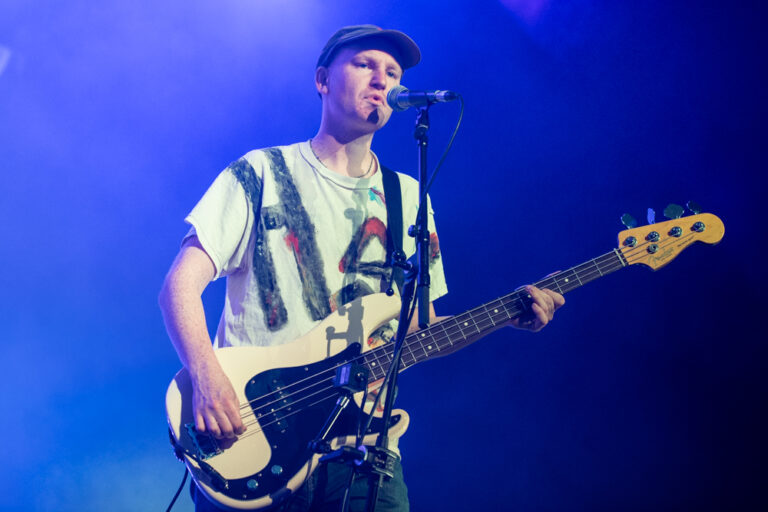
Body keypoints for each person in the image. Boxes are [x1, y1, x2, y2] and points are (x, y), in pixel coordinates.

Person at [159, 25, 565, 512]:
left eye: (392, 72)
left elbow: (418, 327)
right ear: (323, 80)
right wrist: (206, 376)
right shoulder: (260, 172)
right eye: (365, 64)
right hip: (253, 436)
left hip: (364, 452)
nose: (382, 79)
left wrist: (507, 314)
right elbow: (179, 286)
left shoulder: (409, 198)